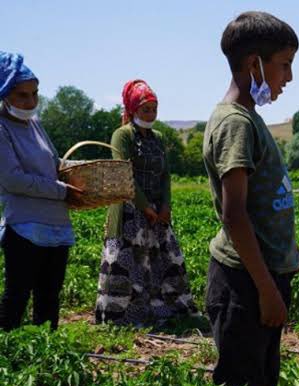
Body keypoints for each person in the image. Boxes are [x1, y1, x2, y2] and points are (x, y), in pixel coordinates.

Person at [202, 11, 299, 386]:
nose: (289, 77)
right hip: (243, 284)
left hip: (261, 274)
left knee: (261, 385)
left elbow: (263, 205)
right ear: (254, 64)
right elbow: (235, 215)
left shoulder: (250, 119)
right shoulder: (235, 124)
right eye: (285, 64)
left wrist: (286, 253)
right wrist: (266, 289)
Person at [95, 79, 196, 327]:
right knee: (128, 263)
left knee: (165, 259)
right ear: (132, 110)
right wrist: (145, 207)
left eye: (154, 109)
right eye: (145, 110)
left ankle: (166, 312)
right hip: (130, 209)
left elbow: (165, 175)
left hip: (157, 210)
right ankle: (121, 317)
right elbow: (124, 172)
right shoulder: (122, 135)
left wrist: (165, 206)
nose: (151, 115)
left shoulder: (158, 137)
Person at [0, 51, 84, 331]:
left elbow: (54, 162)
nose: (31, 101)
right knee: (17, 297)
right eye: (22, 95)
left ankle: (47, 358)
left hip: (56, 225)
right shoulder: (1, 128)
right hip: (25, 227)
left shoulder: (35, 124)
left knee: (49, 298)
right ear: (4, 94)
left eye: (34, 94)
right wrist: (62, 191)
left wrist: (84, 171)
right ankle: (8, 360)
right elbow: (13, 180)